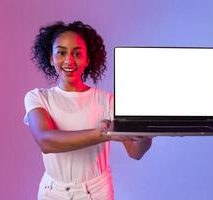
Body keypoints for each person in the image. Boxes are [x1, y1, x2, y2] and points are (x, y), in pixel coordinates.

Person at [23, 21, 152, 200]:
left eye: (77, 53)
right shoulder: (38, 97)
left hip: (96, 192)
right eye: (61, 53)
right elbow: (46, 141)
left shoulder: (108, 101)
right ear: (51, 58)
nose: (69, 60)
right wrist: (102, 134)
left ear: (88, 59)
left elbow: (135, 152)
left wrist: (148, 131)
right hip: (52, 192)